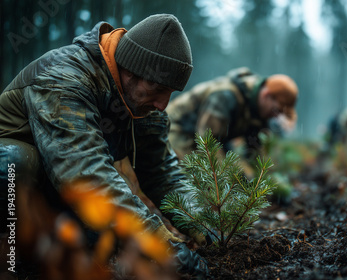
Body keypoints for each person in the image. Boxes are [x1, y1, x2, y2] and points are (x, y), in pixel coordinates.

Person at [0, 14, 207, 276]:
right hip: (20, 183)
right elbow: (84, 172)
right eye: (157, 88)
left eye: (170, 92)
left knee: (96, 245)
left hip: (53, 189)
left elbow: (161, 172)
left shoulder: (142, 104)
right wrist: (158, 242)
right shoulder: (64, 77)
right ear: (130, 70)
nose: (163, 105)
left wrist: (205, 225)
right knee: (13, 162)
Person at [166, 67, 299, 162]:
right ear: (266, 95)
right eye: (277, 110)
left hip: (207, 139)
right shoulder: (225, 96)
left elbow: (254, 153)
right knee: (191, 182)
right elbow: (207, 144)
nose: (275, 116)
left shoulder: (257, 111)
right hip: (175, 130)